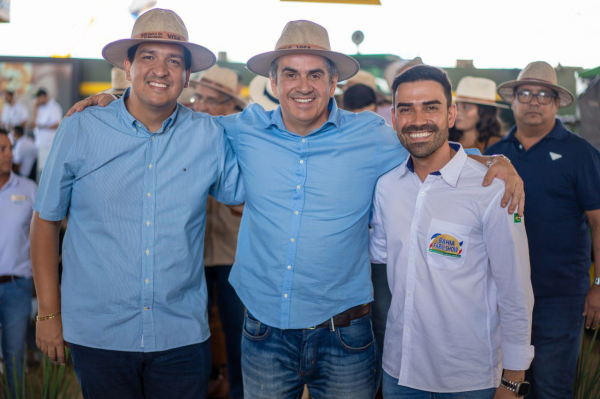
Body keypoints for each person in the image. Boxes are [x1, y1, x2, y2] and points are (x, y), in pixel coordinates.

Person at [67, 20, 523, 399]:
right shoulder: (241, 129)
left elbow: (425, 142)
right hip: (264, 331)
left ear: (332, 82)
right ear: (274, 81)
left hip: (345, 334)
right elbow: (172, 119)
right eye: (291, 74)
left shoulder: (371, 136)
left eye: (314, 75)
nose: (302, 86)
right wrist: (111, 101)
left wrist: (494, 161)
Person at [30, 9, 243, 399]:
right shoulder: (81, 128)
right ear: (127, 66)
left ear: (186, 75)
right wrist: (48, 312)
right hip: (100, 334)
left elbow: (244, 201)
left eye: (174, 60)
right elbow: (45, 220)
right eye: (148, 57)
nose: (161, 70)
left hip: (181, 335)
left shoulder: (208, 135)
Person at [371, 65, 534, 399]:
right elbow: (383, 257)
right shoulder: (386, 187)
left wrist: (513, 380)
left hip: (469, 379)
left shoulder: (491, 189)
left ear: (450, 114)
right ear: (394, 117)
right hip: (400, 373)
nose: (417, 120)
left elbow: (516, 290)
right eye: (406, 109)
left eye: (430, 106)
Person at [486, 61, 600, 399]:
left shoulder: (581, 154)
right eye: (526, 93)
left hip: (559, 297)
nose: (534, 101)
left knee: (551, 388)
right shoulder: (495, 156)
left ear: (556, 103)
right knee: (507, 389)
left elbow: (598, 221)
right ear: (513, 100)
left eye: (544, 95)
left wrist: (599, 284)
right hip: (502, 296)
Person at [191, 65, 247, 399]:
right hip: (192, 252)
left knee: (237, 332)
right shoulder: (186, 133)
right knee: (193, 333)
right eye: (200, 97)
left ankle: (239, 392)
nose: (203, 106)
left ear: (230, 106)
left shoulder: (243, 141)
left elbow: (249, 202)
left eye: (213, 100)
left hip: (232, 252)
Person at [0, 128, 37, 397]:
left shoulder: (29, 189)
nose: (10, 154)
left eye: (10, 148)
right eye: (2, 149)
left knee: (14, 357)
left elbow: (44, 237)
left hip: (17, 286)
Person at [449, 76, 507, 153]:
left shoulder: (497, 145)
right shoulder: (445, 140)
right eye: (456, 106)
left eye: (466, 107)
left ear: (484, 112)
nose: (458, 112)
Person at [31, 88, 62, 178]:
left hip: (49, 144)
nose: (37, 101)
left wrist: (42, 126)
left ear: (43, 97)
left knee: (46, 171)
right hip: (40, 143)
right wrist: (35, 109)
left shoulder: (54, 107)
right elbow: (34, 124)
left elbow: (57, 124)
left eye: (38, 98)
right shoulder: (40, 108)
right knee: (40, 171)